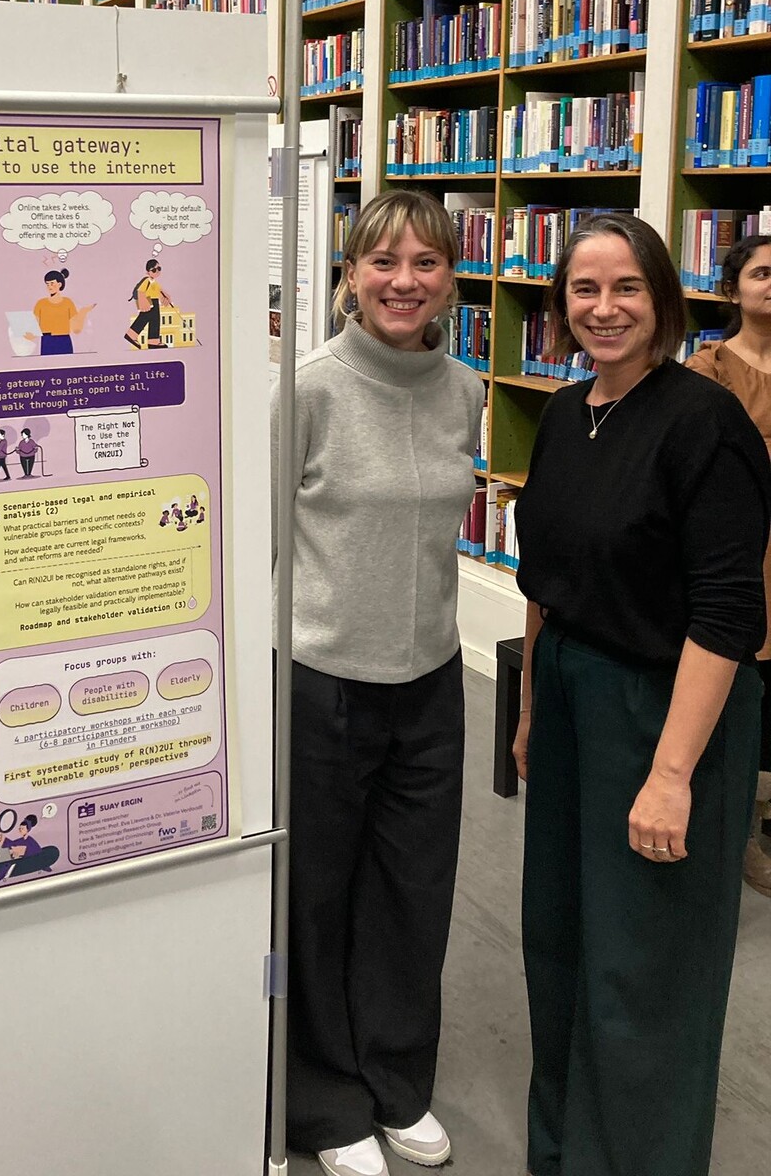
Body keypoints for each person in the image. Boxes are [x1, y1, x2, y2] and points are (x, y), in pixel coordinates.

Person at [513, 212, 770, 1176]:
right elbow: (544, 584)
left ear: (663, 296)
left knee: (648, 963)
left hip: (667, 712)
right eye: (585, 288)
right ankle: (564, 1152)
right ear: (561, 304)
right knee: (561, 940)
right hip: (571, 697)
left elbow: (728, 612)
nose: (605, 308)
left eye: (627, 287)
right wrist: (531, 711)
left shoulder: (705, 422)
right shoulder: (564, 414)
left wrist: (671, 775)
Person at [271, 190, 484, 1176]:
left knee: (413, 889)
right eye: (384, 262)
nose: (405, 281)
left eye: (426, 262)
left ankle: (397, 1078)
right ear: (350, 274)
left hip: (432, 681)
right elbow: (261, 545)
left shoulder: (465, 389)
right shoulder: (307, 388)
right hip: (323, 681)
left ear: (451, 278)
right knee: (316, 894)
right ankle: (324, 1100)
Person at [686, 232, 771, 895]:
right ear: (733, 289)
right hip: (744, 551)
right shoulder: (708, 369)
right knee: (744, 689)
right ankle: (736, 827)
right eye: (761, 273)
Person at [27, 268, 93, 355]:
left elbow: (76, 329)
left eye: (52, 283)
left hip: (64, 340)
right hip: (47, 341)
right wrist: (29, 335)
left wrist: (83, 312)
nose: (49, 286)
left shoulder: (68, 302)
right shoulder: (41, 303)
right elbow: (34, 327)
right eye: (47, 284)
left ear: (59, 284)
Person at [125, 258, 173, 348]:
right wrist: (143, 301)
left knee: (155, 320)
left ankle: (153, 341)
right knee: (144, 318)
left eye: (159, 269)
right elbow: (140, 291)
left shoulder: (155, 282)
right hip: (149, 301)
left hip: (155, 301)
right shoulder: (147, 280)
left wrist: (165, 298)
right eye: (154, 270)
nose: (157, 271)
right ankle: (131, 334)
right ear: (148, 272)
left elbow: (159, 292)